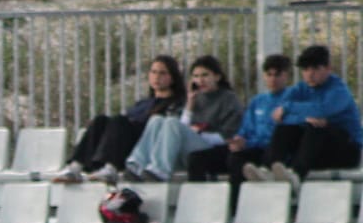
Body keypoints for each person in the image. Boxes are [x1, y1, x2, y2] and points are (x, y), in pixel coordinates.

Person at [53, 55, 185, 182]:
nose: (157, 77)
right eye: (153, 72)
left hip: (144, 147)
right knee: (101, 120)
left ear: (173, 77)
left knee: (119, 121)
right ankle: (75, 168)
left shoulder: (176, 103)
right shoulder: (143, 103)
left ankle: (111, 168)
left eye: (162, 73)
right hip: (125, 141)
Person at [122, 54, 241, 182]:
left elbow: (227, 137)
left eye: (205, 75)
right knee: (157, 119)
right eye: (196, 76)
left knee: (172, 122)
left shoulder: (228, 98)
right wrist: (189, 105)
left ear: (217, 77)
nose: (200, 80)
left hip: (209, 150)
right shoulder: (193, 98)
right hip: (186, 150)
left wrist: (199, 133)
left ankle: (160, 170)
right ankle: (136, 164)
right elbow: (180, 128)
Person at [260, 44, 363, 187]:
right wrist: (302, 116)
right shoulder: (301, 88)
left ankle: (297, 175)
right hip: (314, 152)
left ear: (328, 68)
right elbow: (278, 113)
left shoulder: (339, 90)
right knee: (285, 129)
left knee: (316, 128)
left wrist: (290, 109)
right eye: (305, 69)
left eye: (315, 69)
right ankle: (268, 168)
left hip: (345, 152)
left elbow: (322, 109)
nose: (310, 74)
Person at [188, 53, 289, 197]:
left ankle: (236, 203)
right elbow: (245, 128)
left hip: (274, 149)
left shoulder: (292, 99)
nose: (273, 79)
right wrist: (239, 139)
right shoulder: (257, 101)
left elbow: (281, 133)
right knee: (199, 158)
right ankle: (202, 202)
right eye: (269, 74)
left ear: (286, 76)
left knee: (239, 158)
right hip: (251, 147)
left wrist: (246, 142)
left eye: (277, 75)